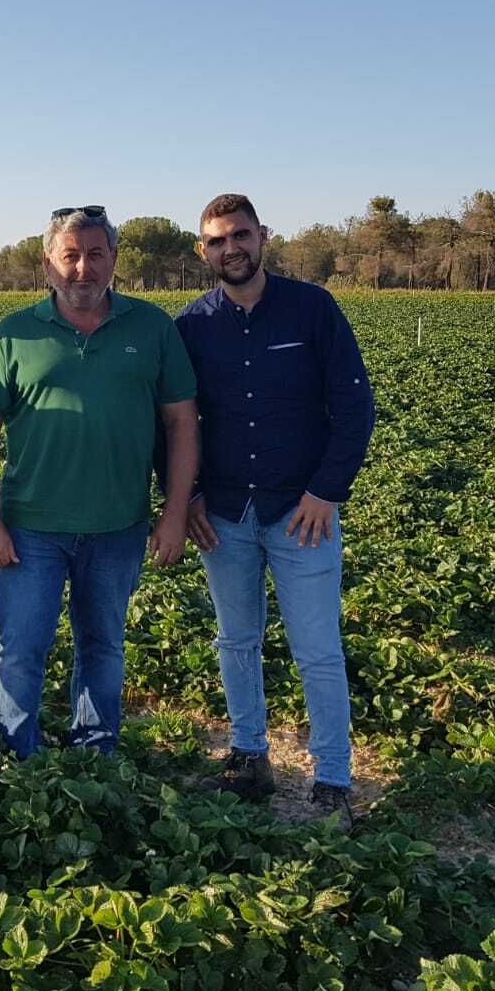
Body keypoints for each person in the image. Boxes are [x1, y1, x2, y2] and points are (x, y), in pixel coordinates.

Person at [0, 205, 199, 757]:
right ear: (48, 262)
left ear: (114, 258)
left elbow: (182, 423)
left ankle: (95, 751)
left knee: (103, 645)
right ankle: (20, 754)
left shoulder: (153, 328)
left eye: (95, 254)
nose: (82, 268)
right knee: (22, 647)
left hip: (118, 525)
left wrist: (174, 513)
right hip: (30, 528)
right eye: (70, 255)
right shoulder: (14, 334)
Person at [175, 193, 375, 822]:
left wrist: (326, 492)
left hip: (300, 512)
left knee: (317, 648)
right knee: (236, 640)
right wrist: (189, 496)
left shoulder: (312, 309)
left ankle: (333, 781)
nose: (230, 248)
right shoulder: (191, 326)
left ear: (262, 236)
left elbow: (355, 407)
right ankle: (248, 757)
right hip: (225, 514)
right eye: (217, 240)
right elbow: (174, 423)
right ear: (203, 250)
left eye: (240, 235)